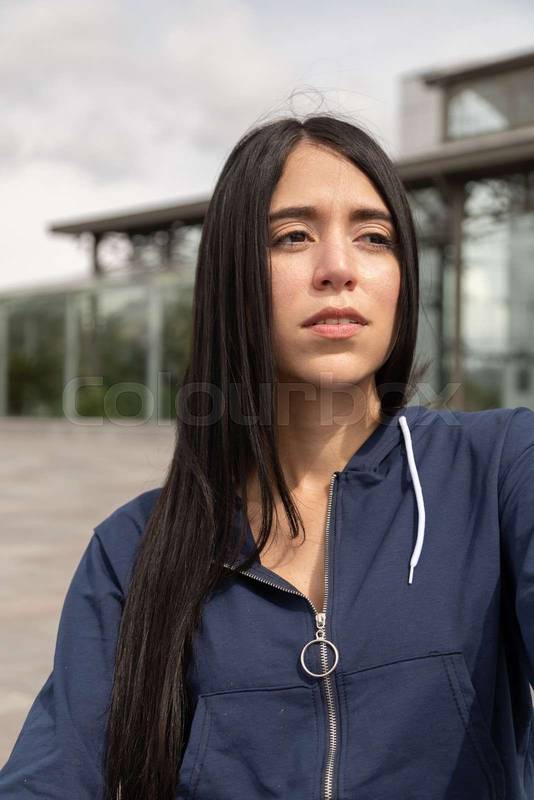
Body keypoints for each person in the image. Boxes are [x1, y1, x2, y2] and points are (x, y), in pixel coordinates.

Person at [0, 113, 533, 800]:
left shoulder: (501, 471)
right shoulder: (132, 551)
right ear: (232, 278)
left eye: (374, 237)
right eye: (292, 237)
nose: (338, 269)